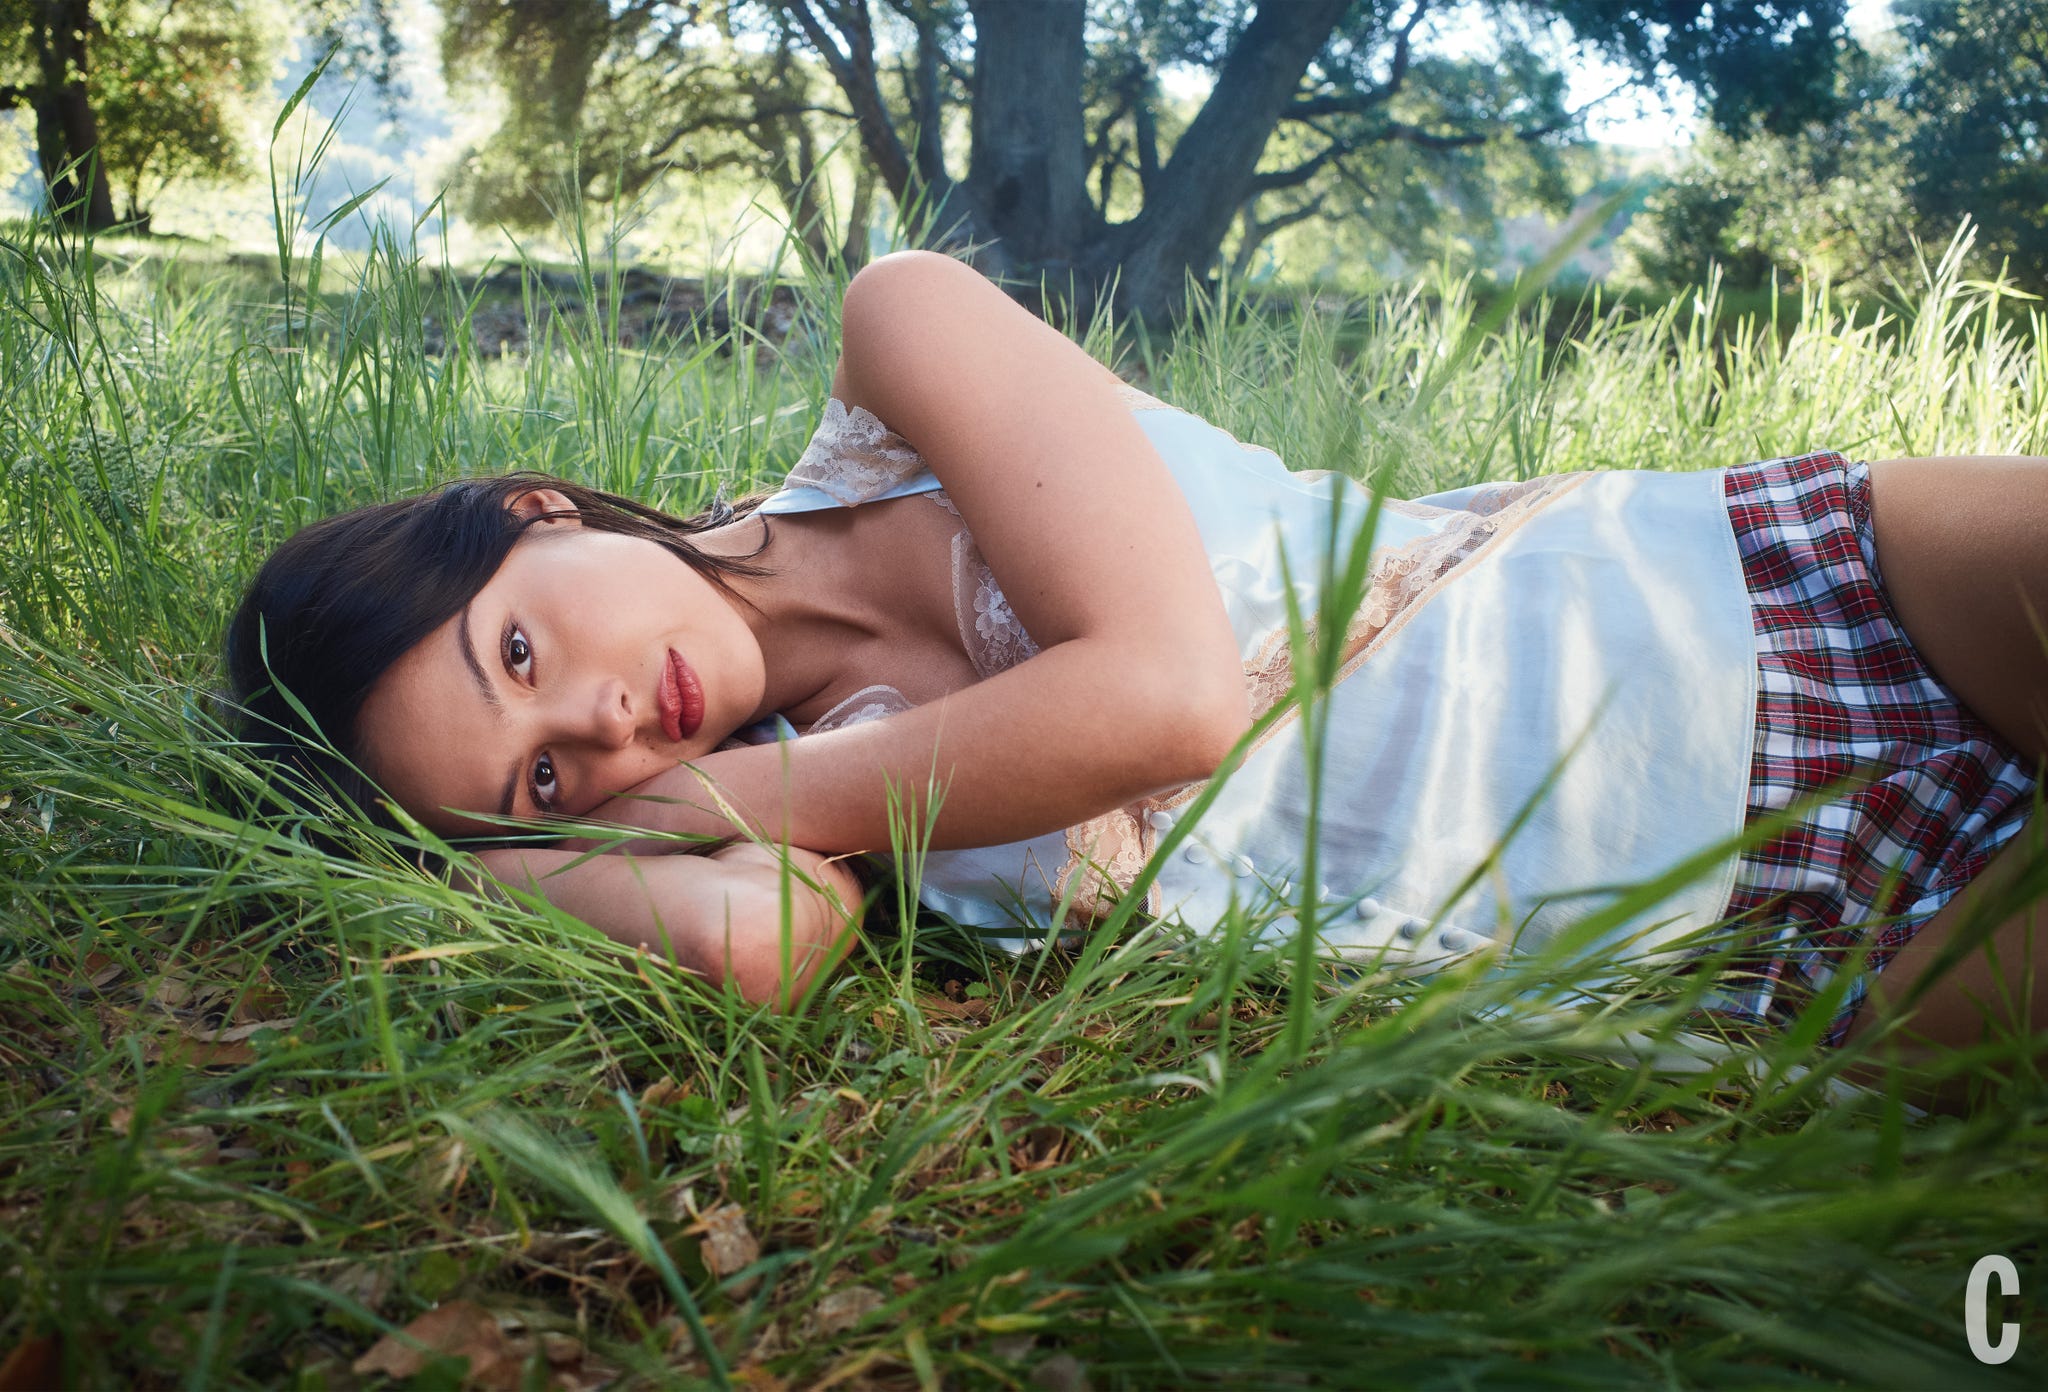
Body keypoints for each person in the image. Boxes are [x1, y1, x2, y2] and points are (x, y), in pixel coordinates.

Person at [226, 250, 2047, 1063]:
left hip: (1784, 610)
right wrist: (511, 857)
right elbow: (745, 955)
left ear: (540, 507)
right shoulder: (809, 826)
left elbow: (1167, 691)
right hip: (1785, 944)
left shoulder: (899, 353)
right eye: (549, 772)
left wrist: (704, 792)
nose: (606, 720)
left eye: (525, 647)